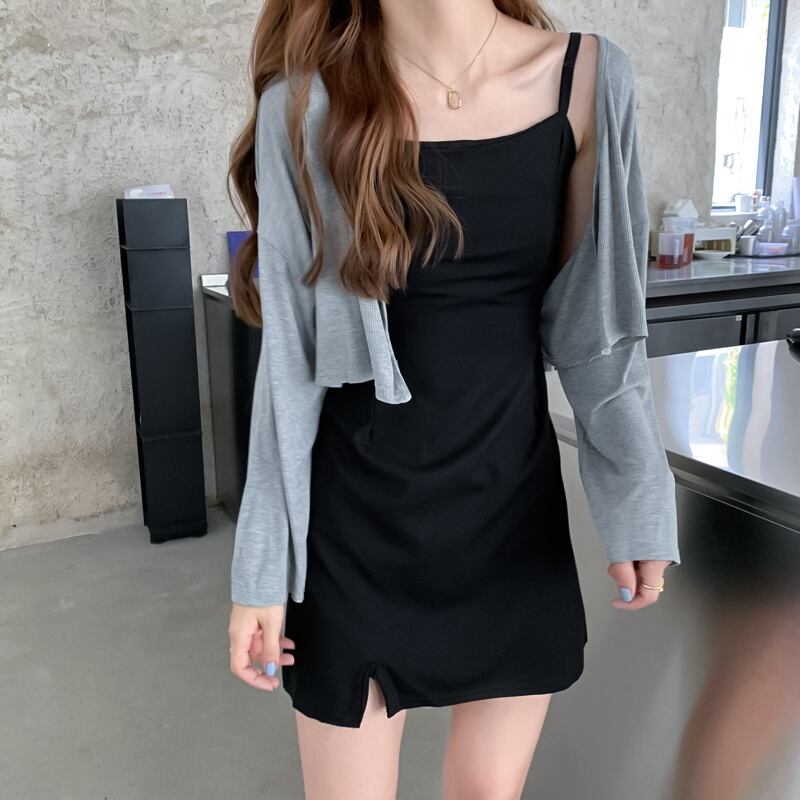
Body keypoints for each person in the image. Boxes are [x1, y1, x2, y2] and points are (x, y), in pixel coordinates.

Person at [227, 1, 681, 797]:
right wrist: (261, 569)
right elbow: (291, 365)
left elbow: (600, 334)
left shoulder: (586, 78)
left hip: (510, 518)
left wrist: (639, 498)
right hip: (355, 530)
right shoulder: (304, 105)